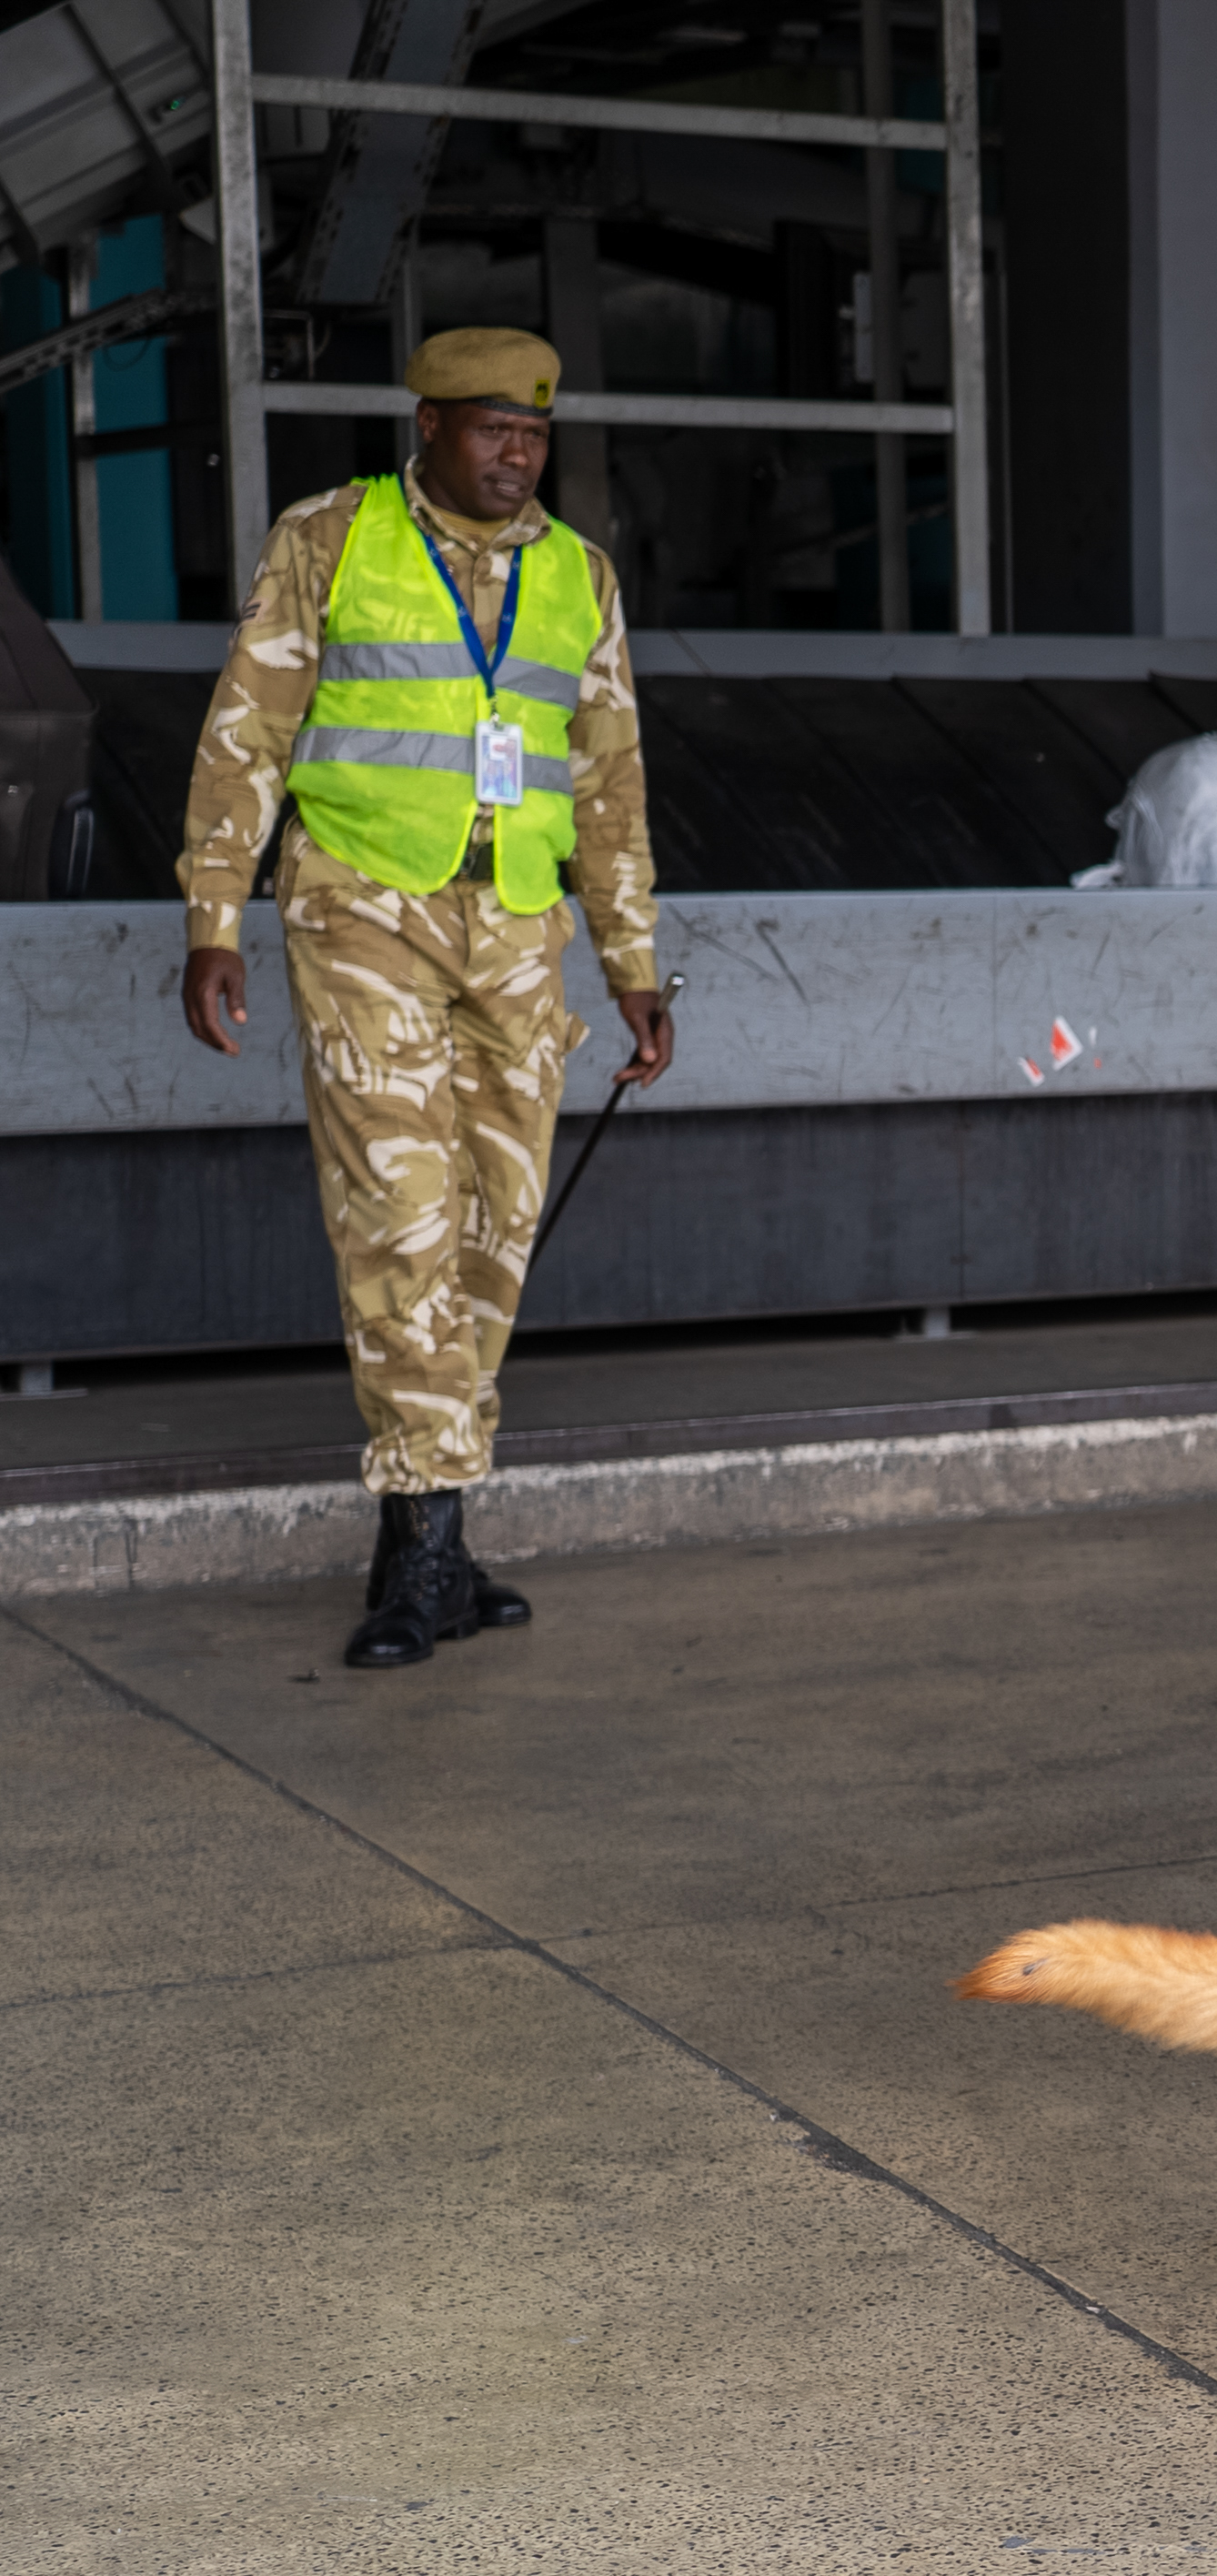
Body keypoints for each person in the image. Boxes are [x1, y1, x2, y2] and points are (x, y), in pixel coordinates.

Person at [173, 327, 675, 1671]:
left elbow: (610, 782)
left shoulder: (579, 576)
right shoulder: (334, 538)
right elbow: (249, 729)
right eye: (493, 428)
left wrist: (633, 960)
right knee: (396, 1214)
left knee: (493, 1228)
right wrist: (212, 914)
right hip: (363, 911)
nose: (519, 452)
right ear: (432, 426)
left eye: (536, 431)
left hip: (517, 923)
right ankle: (425, 1535)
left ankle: (433, 1526)